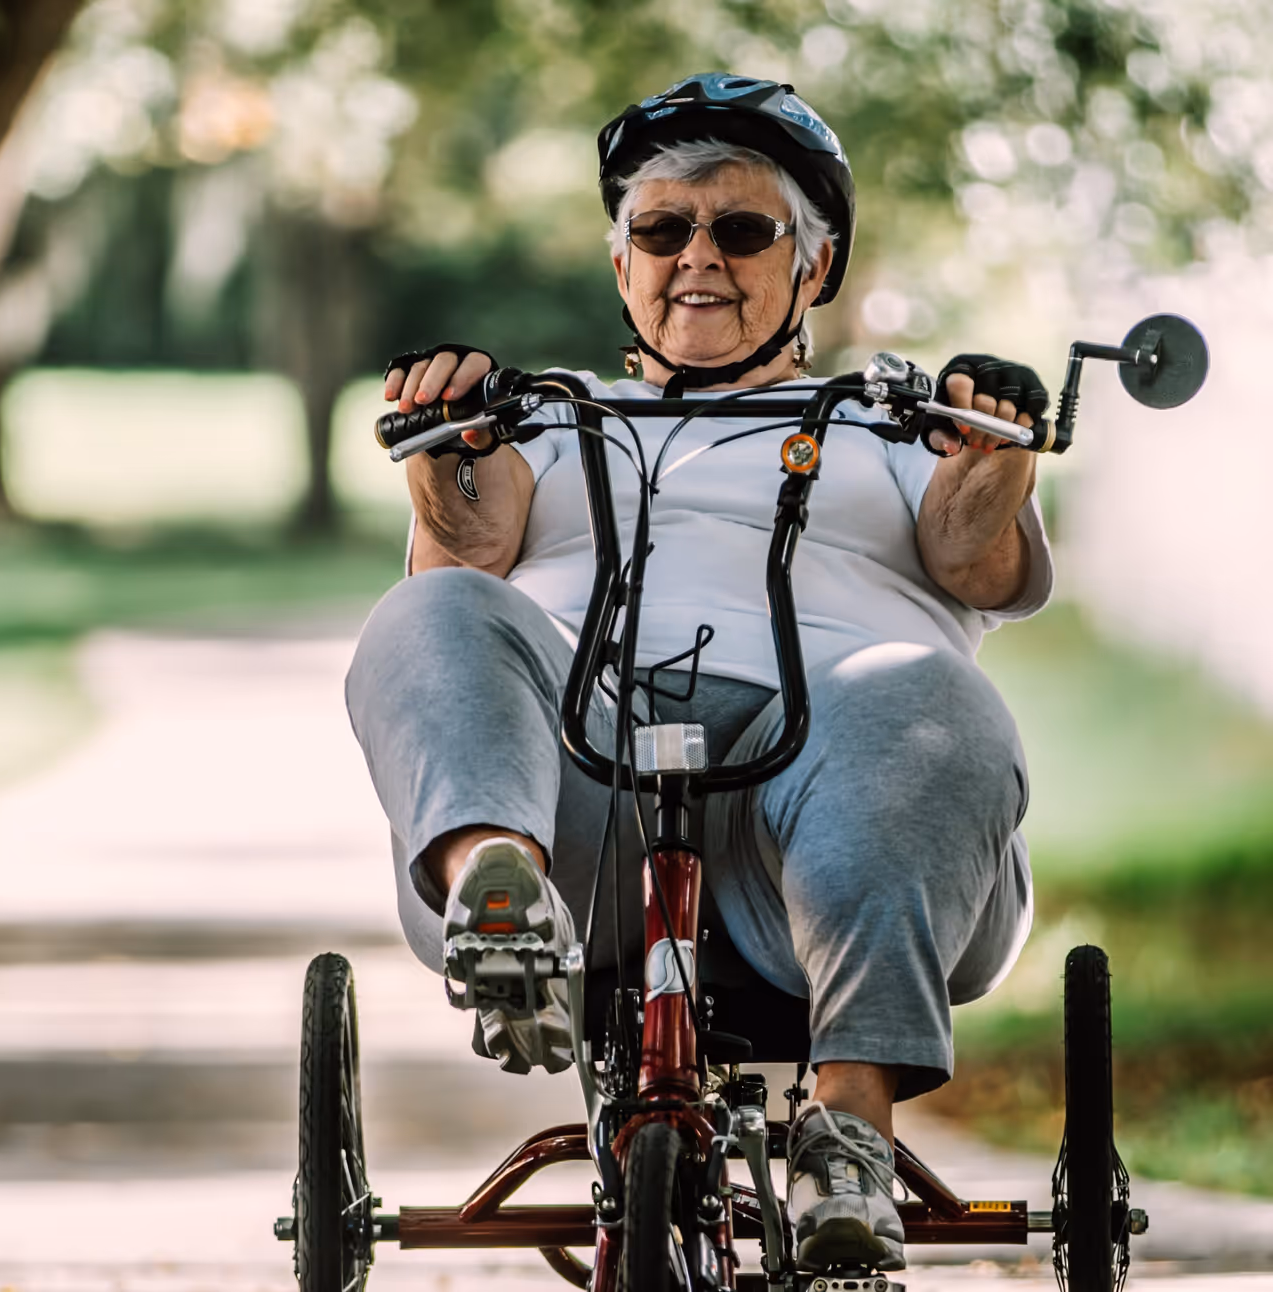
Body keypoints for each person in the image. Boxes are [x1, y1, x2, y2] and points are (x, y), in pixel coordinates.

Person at [345, 73, 1054, 1273]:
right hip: (592, 805)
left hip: (827, 809)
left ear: (813, 265)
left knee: (928, 692)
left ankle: (852, 1136)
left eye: (741, 229)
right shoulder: (554, 417)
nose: (697, 259)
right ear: (621, 261)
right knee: (431, 610)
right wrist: (443, 443)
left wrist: (991, 453)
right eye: (661, 229)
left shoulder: (889, 423)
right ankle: (500, 890)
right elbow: (469, 549)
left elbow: (971, 561)